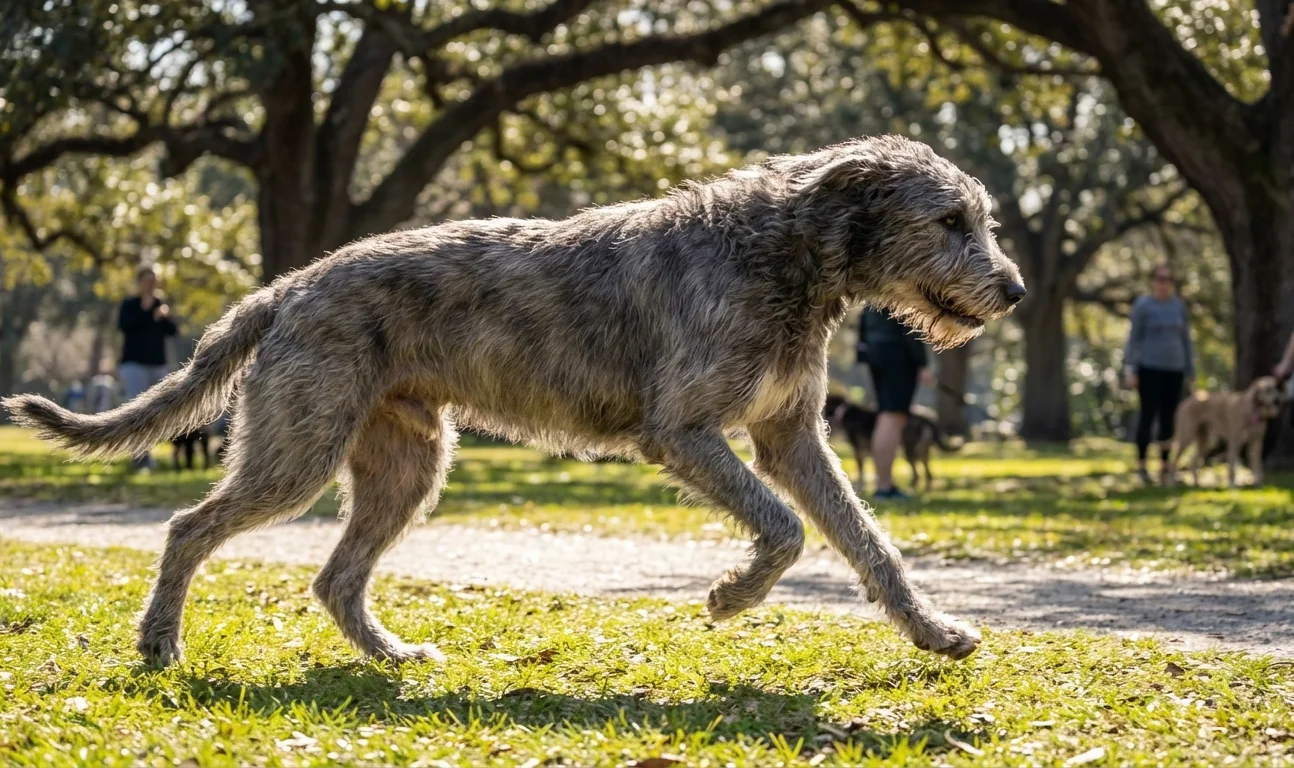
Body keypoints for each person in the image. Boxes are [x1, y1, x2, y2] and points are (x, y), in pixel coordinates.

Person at [1123, 263, 1194, 485]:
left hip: (1175, 370)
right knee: (1147, 415)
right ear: (1153, 282)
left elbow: (1186, 340)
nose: (1164, 283)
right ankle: (1142, 465)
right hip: (1149, 368)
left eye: (1168, 279)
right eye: (1160, 279)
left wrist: (1190, 369)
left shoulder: (1178, 307)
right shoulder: (1143, 306)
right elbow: (1133, 339)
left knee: (1169, 418)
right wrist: (1130, 368)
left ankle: (1165, 466)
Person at [856, 306, 936, 500]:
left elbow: (864, 317)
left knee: (887, 415)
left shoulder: (874, 290)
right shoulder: (902, 287)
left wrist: (864, 351)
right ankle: (884, 487)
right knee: (893, 417)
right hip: (897, 352)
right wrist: (922, 362)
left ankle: (884, 483)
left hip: (875, 351)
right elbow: (911, 320)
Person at [118, 266, 177, 470]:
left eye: (154, 281)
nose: (151, 285)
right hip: (134, 364)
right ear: (139, 283)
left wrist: (164, 317)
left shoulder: (160, 304)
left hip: (157, 364)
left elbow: (172, 331)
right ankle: (139, 457)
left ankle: (150, 454)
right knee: (137, 410)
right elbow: (125, 326)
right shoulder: (130, 304)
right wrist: (145, 310)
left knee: (156, 411)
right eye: (147, 281)